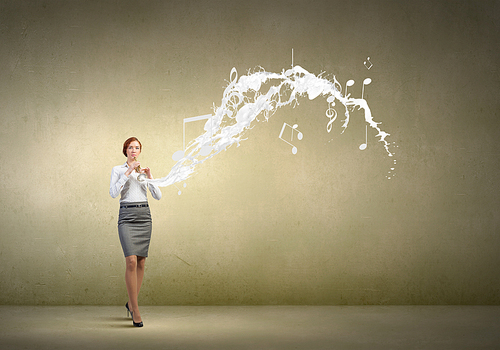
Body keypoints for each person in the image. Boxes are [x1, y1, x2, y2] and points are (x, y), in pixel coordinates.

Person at [109, 137, 162, 327]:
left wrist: (150, 176)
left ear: (140, 151)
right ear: (125, 150)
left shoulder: (143, 172)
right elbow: (113, 193)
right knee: (130, 260)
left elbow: (158, 195)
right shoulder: (118, 169)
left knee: (141, 261)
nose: (134, 150)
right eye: (130, 147)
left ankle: (131, 303)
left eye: (137, 147)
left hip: (144, 216)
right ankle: (136, 309)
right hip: (127, 216)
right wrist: (128, 172)